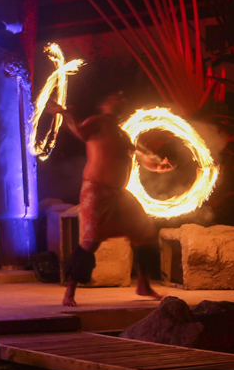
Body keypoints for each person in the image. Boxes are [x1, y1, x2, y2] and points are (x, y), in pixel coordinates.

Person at [46, 92, 173, 307]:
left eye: (124, 98)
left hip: (119, 194)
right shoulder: (98, 122)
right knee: (91, 242)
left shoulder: (123, 135)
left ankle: (144, 286)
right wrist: (66, 114)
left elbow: (142, 158)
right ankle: (70, 292)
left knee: (146, 233)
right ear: (105, 103)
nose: (122, 98)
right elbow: (80, 133)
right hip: (96, 191)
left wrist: (158, 166)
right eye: (116, 97)